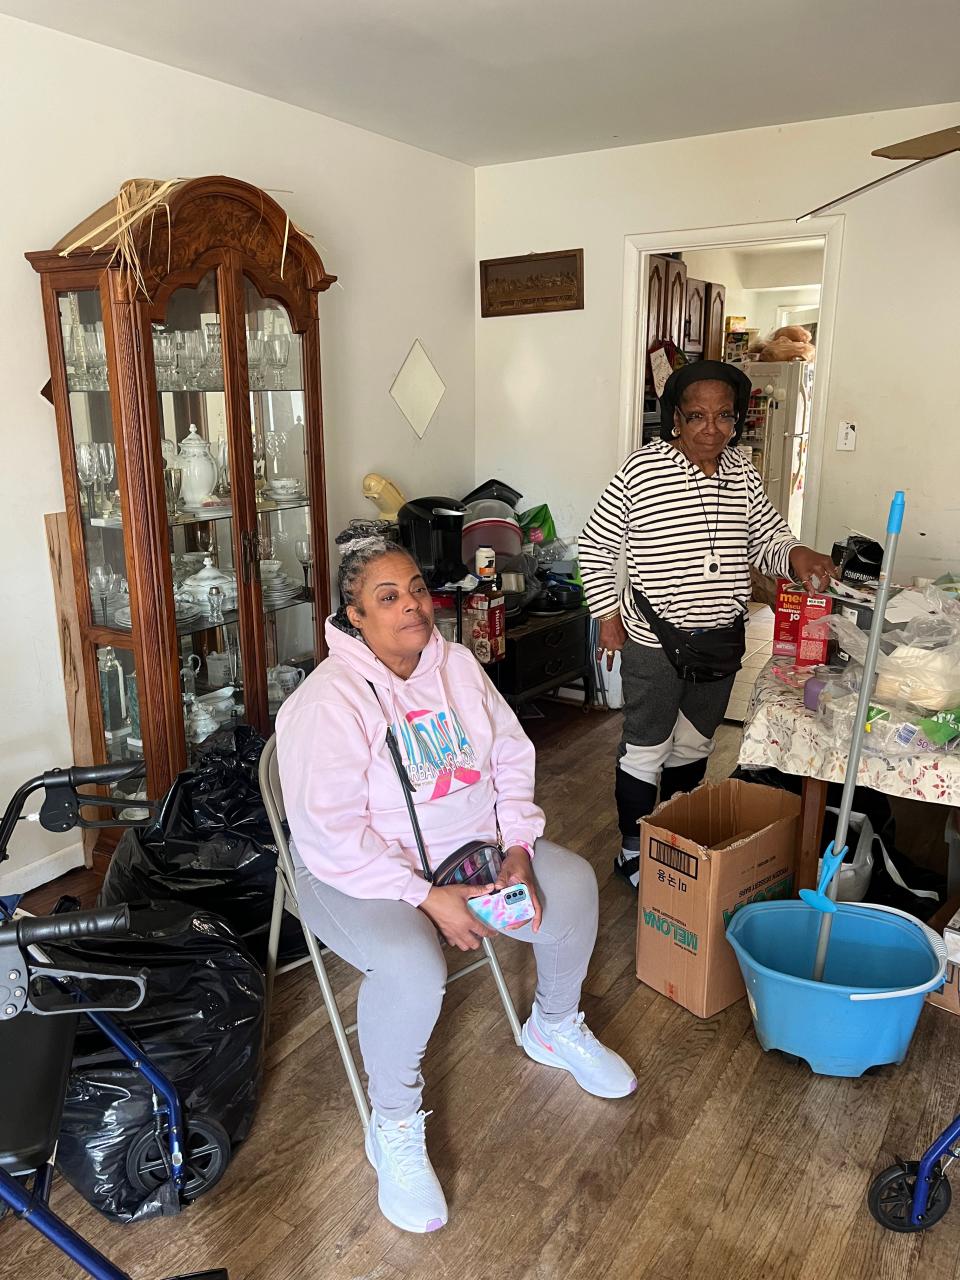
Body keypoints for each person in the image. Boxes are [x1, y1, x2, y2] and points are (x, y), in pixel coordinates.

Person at [276, 541, 636, 1235]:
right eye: (388, 596)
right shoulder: (328, 703)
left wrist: (522, 849)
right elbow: (328, 835)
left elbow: (509, 754)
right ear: (353, 617)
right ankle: (394, 1124)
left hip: (466, 854)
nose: (411, 604)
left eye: (415, 588)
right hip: (354, 874)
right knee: (413, 967)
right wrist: (425, 897)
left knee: (571, 888)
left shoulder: (458, 664)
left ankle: (554, 1027)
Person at [579, 361, 836, 889]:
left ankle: (673, 834)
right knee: (646, 747)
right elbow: (596, 544)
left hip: (720, 644)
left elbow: (767, 539)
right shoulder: (641, 470)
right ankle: (632, 849)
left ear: (737, 419)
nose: (711, 428)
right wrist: (607, 616)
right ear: (676, 417)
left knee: (695, 746)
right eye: (697, 415)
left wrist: (799, 553)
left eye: (723, 415)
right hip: (654, 640)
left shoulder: (742, 472)